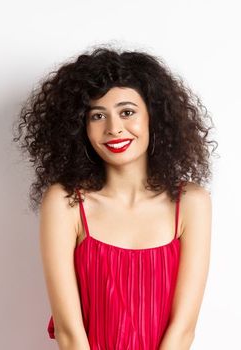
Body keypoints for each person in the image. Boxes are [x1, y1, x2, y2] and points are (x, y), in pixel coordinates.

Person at [14, 45, 217, 350]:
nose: (114, 129)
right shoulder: (66, 203)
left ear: (154, 117)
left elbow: (183, 330)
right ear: (81, 128)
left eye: (127, 112)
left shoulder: (190, 203)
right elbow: (69, 333)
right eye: (98, 116)